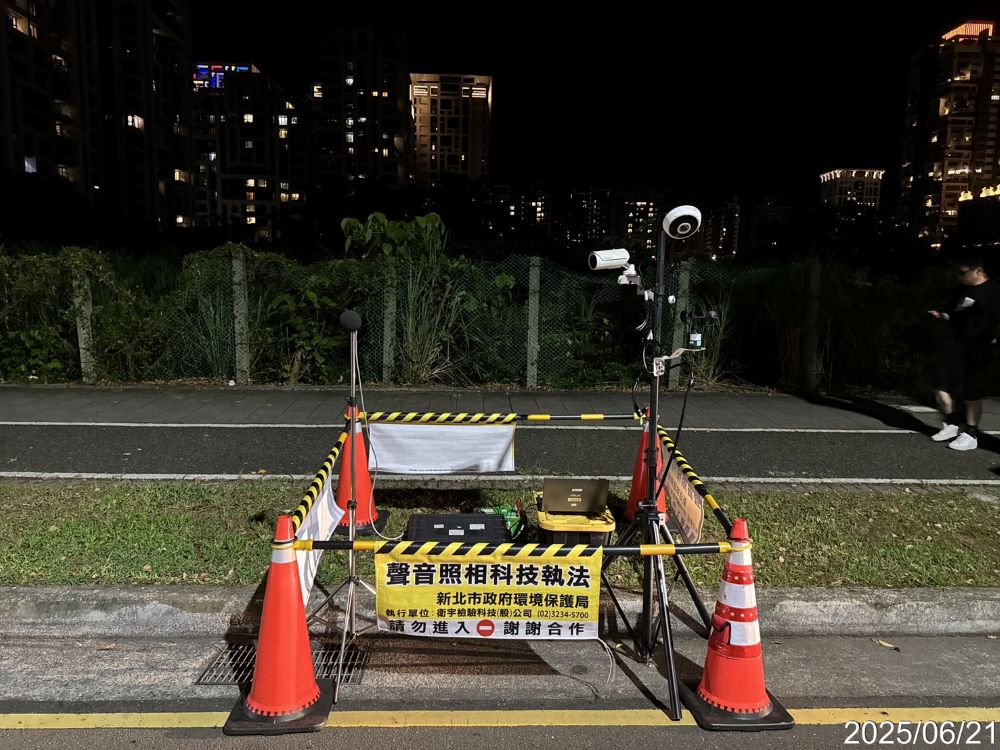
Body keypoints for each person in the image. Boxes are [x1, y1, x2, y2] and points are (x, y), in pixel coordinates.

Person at [928, 257, 1000, 451]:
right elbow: (953, 312)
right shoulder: (961, 291)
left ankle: (971, 433)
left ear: (978, 270)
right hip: (955, 347)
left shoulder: (992, 292)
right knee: (941, 386)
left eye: (962, 272)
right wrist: (942, 315)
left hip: (978, 350)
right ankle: (952, 424)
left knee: (971, 393)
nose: (959, 276)